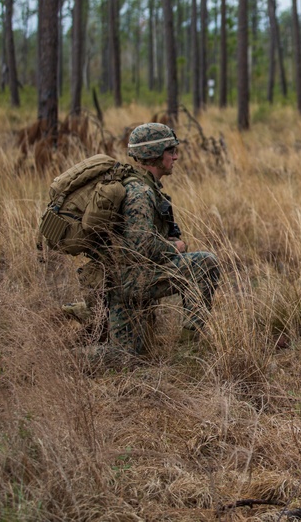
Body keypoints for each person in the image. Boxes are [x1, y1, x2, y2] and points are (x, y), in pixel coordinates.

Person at [80, 123, 220, 363]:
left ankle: (65, 358)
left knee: (125, 357)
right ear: (155, 154)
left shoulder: (139, 186)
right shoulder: (140, 193)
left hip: (119, 282)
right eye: (170, 151)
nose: (175, 156)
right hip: (134, 282)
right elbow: (139, 247)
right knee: (206, 263)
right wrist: (173, 247)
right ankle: (189, 351)